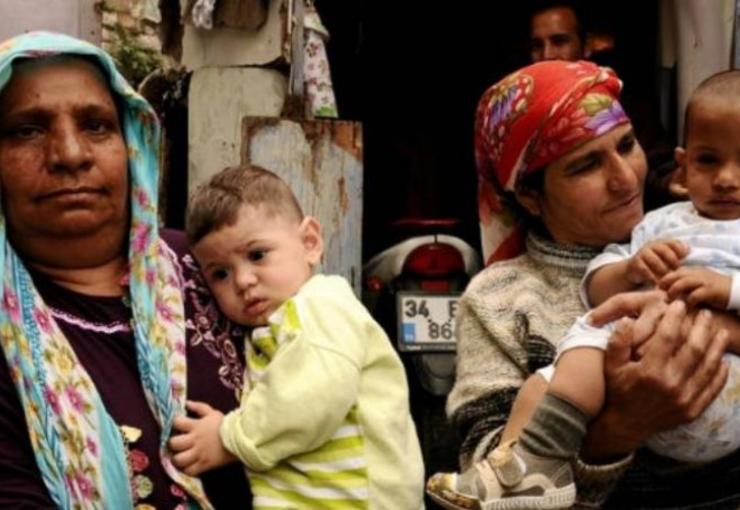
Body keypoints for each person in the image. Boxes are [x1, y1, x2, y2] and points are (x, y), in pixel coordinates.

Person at [427, 59, 735, 509]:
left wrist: (726, 329)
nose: (625, 178)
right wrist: (620, 427)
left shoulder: (696, 232)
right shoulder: (499, 300)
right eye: (586, 165)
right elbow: (492, 480)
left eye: (626, 145)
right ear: (530, 197)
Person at [0, 32, 253, 508]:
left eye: (96, 125)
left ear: (132, 142)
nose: (70, 154)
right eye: (27, 130)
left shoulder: (214, 267)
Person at [168, 165, 425, 509]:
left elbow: (308, 399)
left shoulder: (322, 308)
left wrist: (227, 438)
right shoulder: (278, 324)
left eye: (257, 255)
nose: (242, 281)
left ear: (310, 242)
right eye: (220, 274)